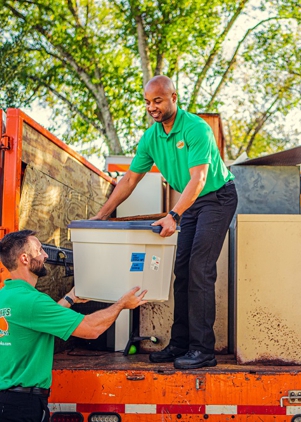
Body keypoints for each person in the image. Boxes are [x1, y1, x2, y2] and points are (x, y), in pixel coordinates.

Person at [91, 75, 238, 370]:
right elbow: (130, 178)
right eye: (147, 102)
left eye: (157, 100)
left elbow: (199, 179)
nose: (152, 107)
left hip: (217, 198)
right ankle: (181, 344)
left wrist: (174, 214)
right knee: (181, 271)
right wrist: (102, 214)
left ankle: (202, 350)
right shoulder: (151, 138)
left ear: (173, 97)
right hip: (191, 203)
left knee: (199, 268)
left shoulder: (196, 128)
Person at [0, 230, 148, 422]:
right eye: (40, 250)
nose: (45, 255)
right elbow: (91, 329)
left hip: (7, 400)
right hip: (22, 406)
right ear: (25, 259)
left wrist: (71, 298)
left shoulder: (7, 296)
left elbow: (39, 319)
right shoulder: (32, 301)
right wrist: (121, 305)